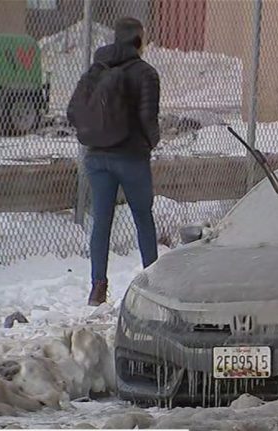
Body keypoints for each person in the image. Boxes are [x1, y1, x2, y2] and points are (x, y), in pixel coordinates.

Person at [68, 17, 161, 306]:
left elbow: (74, 112)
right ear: (138, 39)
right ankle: (154, 283)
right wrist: (151, 141)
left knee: (101, 222)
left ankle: (98, 287)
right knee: (143, 218)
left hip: (97, 157)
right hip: (131, 157)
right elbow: (148, 118)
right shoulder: (146, 73)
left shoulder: (98, 68)